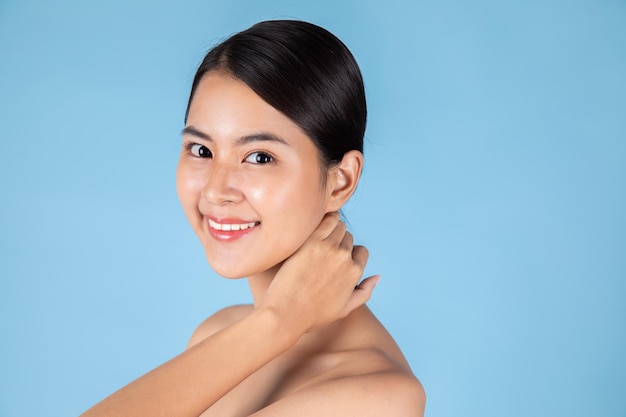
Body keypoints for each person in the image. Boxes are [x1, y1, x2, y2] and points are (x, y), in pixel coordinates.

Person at [82, 20, 425, 417]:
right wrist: (273, 324)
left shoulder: (378, 398)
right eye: (201, 150)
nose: (215, 190)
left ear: (340, 180)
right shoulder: (224, 333)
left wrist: (277, 322)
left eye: (259, 157)